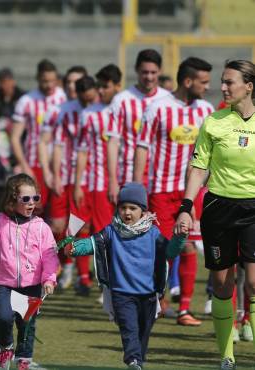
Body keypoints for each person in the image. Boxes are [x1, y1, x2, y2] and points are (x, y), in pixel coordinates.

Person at [173, 60, 255, 370]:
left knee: (254, 282)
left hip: (253, 208)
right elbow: (198, 168)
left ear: (249, 86)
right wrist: (186, 205)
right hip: (219, 208)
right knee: (222, 284)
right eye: (222, 81)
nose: (223, 87)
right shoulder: (213, 122)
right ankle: (227, 355)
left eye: (229, 82)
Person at [65, 183, 187, 370]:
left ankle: (138, 361)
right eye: (123, 208)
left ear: (143, 210)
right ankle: (133, 361)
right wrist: (74, 248)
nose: (127, 212)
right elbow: (92, 243)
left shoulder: (153, 233)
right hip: (122, 294)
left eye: (133, 208)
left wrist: (180, 238)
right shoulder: (111, 231)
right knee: (129, 330)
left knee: (143, 333)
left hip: (149, 295)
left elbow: (170, 252)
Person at [134, 57, 215, 326]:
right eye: (203, 82)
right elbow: (142, 147)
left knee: (189, 247)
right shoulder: (157, 108)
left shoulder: (206, 110)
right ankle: (157, 298)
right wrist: (136, 190)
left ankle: (185, 309)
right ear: (188, 81)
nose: (208, 86)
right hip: (160, 191)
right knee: (162, 250)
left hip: (191, 193)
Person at [0, 174, 58, 370]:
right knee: (3, 317)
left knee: (27, 325)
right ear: (12, 199)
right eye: (25, 199)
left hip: (32, 286)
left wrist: (49, 279)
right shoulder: (1, 221)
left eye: (35, 198)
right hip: (5, 284)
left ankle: (23, 360)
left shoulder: (41, 227)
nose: (31, 203)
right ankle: (6, 349)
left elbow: (50, 256)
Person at [53, 75, 98, 295]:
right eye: (86, 99)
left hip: (96, 178)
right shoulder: (66, 111)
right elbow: (59, 145)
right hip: (71, 177)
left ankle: (85, 276)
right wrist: (56, 175)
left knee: (89, 227)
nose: (90, 102)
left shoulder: (102, 109)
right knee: (66, 226)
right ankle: (69, 269)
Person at [107, 49, 170, 203]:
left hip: (159, 179)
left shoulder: (168, 99)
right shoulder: (121, 100)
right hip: (127, 176)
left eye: (153, 72)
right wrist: (113, 181)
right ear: (136, 70)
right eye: (145, 72)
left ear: (160, 71)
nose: (149, 77)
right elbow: (113, 143)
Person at [10, 60, 67, 210]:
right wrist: (24, 165)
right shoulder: (27, 101)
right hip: (34, 164)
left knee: (59, 218)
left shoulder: (64, 98)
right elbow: (15, 137)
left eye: (52, 81)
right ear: (37, 78)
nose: (49, 85)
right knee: (35, 210)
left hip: (60, 164)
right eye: (45, 81)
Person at [75, 64, 123, 240]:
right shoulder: (89, 114)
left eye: (105, 86)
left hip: (129, 178)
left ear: (117, 86)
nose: (100, 91)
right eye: (99, 87)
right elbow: (82, 151)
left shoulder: (129, 107)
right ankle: (98, 268)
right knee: (103, 231)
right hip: (100, 183)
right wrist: (79, 184)